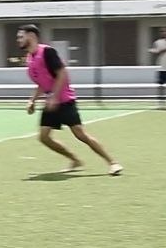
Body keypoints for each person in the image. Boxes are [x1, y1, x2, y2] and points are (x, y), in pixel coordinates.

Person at [16, 24, 123, 176]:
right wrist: (32, 100)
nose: (18, 40)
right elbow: (42, 83)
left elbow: (62, 73)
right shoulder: (29, 59)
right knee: (44, 137)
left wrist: (54, 96)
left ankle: (113, 163)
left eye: (21, 36)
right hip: (51, 103)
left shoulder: (47, 52)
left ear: (31, 36)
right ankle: (75, 160)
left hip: (65, 100)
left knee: (80, 134)